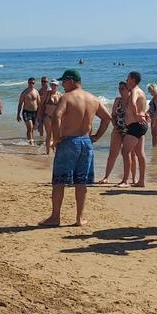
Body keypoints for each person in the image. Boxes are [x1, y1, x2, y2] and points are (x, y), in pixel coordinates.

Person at [41, 70, 110, 226]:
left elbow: (57, 116)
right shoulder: (93, 99)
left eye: (64, 82)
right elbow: (107, 118)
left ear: (71, 81)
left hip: (69, 141)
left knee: (59, 181)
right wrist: (96, 137)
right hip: (86, 142)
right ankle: (79, 218)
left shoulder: (67, 97)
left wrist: (56, 138)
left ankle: (55, 217)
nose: (62, 85)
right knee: (81, 182)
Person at [120, 71, 149, 187]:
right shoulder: (141, 91)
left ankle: (125, 180)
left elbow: (132, 102)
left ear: (132, 79)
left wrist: (136, 113)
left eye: (127, 79)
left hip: (135, 126)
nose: (126, 81)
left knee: (125, 151)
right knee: (139, 153)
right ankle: (141, 181)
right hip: (139, 125)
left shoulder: (135, 90)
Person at [97, 81, 128, 184]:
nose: (120, 90)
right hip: (118, 129)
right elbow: (113, 115)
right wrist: (115, 126)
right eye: (119, 88)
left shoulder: (132, 100)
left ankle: (129, 178)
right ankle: (106, 177)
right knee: (113, 153)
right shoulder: (117, 100)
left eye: (122, 88)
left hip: (130, 130)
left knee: (129, 155)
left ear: (128, 89)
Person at [17, 77, 41, 145]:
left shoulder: (36, 92)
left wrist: (39, 114)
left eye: (32, 83)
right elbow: (20, 103)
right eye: (30, 83)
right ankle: (31, 142)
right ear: (28, 83)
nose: (31, 84)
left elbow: (39, 104)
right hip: (26, 112)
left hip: (35, 112)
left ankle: (30, 140)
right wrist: (18, 114)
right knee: (30, 127)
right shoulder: (24, 92)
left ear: (34, 83)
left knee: (32, 128)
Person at [41, 80, 62, 155]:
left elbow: (63, 108)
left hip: (56, 118)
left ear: (57, 86)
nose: (53, 86)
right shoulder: (47, 94)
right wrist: (39, 118)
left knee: (57, 135)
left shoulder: (60, 95)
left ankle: (56, 151)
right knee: (49, 134)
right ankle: (47, 152)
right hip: (48, 116)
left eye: (55, 85)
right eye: (52, 85)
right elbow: (41, 106)